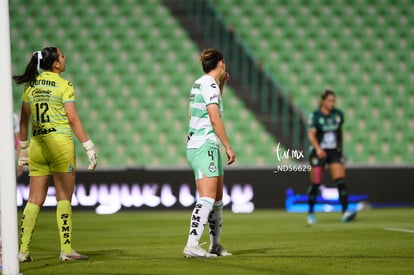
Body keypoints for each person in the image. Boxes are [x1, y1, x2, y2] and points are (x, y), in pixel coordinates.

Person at [13, 47, 98, 262]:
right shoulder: (64, 85)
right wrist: (88, 146)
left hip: (37, 146)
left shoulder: (31, 85)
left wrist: (23, 151)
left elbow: (23, 120)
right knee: (64, 198)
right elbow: (72, 118)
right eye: (61, 56)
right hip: (60, 146)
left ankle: (22, 252)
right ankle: (66, 250)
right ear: (56, 64)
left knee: (34, 200)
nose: (64, 57)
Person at [183, 48, 236, 258]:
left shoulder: (205, 83)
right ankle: (192, 244)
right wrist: (228, 146)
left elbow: (211, 108)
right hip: (204, 144)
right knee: (207, 197)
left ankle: (215, 245)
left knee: (217, 198)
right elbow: (214, 119)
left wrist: (222, 84)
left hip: (203, 144)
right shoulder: (208, 84)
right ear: (221, 63)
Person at [306, 90, 356, 224]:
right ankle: (310, 212)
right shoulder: (315, 116)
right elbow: (311, 134)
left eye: (333, 100)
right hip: (319, 151)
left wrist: (341, 149)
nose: (332, 103)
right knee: (316, 183)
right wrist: (318, 149)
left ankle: (345, 213)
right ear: (323, 101)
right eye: (329, 100)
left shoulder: (338, 115)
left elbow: (339, 132)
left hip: (334, 151)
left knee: (340, 181)